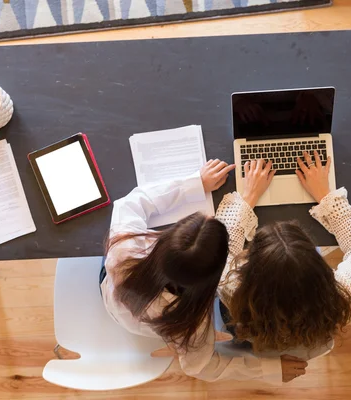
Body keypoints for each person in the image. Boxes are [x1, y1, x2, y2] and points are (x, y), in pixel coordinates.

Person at [100, 159, 307, 383]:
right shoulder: (192, 325)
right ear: (217, 274)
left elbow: (130, 203)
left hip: (116, 296)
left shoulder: (124, 250)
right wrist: (268, 371)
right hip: (148, 322)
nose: (209, 215)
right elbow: (200, 367)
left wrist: (195, 183)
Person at [215, 151, 351, 382]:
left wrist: (249, 195)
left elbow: (222, 246)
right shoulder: (340, 291)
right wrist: (325, 194)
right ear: (318, 269)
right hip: (309, 336)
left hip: (252, 331)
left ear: (249, 269)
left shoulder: (231, 287)